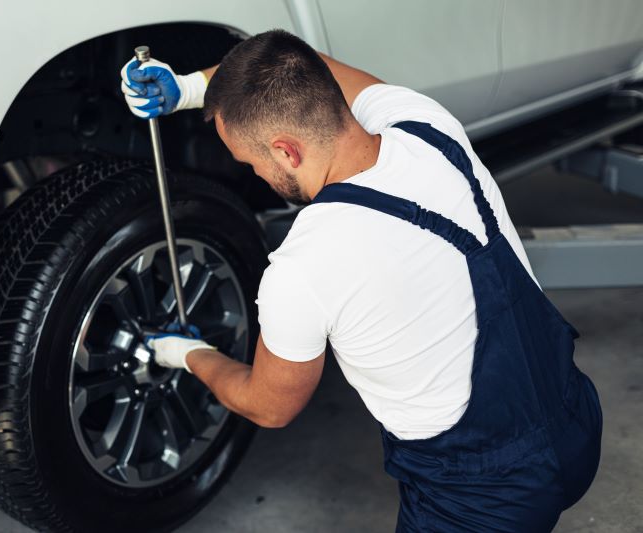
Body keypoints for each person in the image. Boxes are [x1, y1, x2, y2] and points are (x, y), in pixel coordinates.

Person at [119, 29, 602, 531]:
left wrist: (187, 354)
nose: (256, 175)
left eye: (250, 161)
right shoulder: (426, 124)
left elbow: (269, 407)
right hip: (575, 424)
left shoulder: (304, 264)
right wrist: (188, 88)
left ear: (285, 151)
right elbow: (311, 65)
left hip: (480, 500)